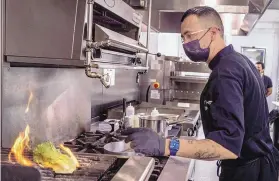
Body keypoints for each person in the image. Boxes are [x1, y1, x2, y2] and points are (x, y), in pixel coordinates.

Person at [122, 6, 279, 181]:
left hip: (249, 173)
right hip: (260, 166)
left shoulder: (226, 72)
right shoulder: (239, 61)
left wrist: (165, 145)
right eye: (183, 38)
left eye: (190, 35)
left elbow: (226, 147)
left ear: (213, 33)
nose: (185, 43)